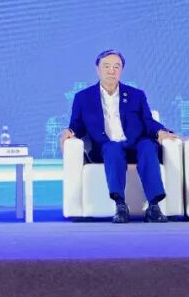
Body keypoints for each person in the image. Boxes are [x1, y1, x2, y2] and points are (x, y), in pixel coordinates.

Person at [60, 50, 178, 223]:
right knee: (112, 147)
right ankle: (120, 205)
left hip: (135, 145)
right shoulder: (83, 97)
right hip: (105, 148)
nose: (111, 71)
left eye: (116, 67)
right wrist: (69, 131)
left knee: (148, 146)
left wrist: (161, 132)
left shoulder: (136, 95)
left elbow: (148, 121)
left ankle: (154, 206)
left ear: (121, 70)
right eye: (106, 66)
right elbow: (77, 125)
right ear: (97, 69)